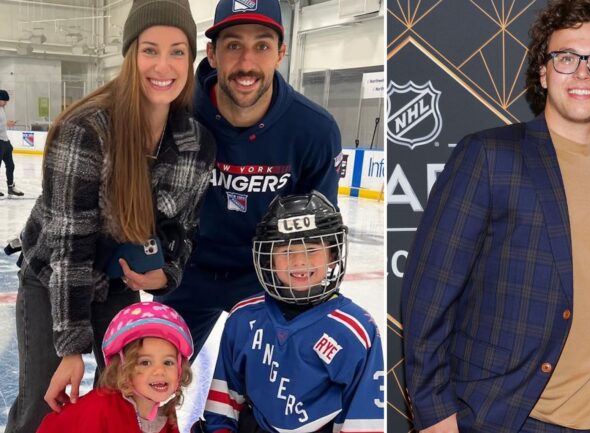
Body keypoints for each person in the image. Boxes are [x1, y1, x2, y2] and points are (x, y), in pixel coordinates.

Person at [400, 1, 590, 432]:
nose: (583, 73)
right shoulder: (490, 156)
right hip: (511, 417)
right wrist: (435, 416)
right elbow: (428, 298)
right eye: (567, 58)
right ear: (544, 72)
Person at [5, 0, 216, 431]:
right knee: (44, 402)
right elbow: (69, 246)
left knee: (126, 399)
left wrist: (167, 273)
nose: (164, 64)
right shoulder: (87, 129)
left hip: (115, 283)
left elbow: (185, 229)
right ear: (130, 55)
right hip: (53, 281)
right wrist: (70, 347)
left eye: (178, 50)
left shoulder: (197, 143)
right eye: (150, 49)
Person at [157, 0, 342, 362]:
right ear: (212, 54)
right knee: (148, 382)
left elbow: (317, 232)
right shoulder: (173, 115)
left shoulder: (314, 130)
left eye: (262, 45)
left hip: (268, 276)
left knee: (281, 389)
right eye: (233, 46)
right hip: (185, 270)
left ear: (281, 53)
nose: (246, 63)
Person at [198, 192, 383, 433]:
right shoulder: (243, 318)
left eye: (312, 249)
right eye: (285, 250)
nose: (298, 261)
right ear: (269, 258)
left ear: (332, 255)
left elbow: (364, 422)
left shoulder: (355, 331)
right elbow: (223, 408)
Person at [36, 301, 194, 433]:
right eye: (145, 362)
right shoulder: (101, 408)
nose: (160, 371)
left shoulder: (165, 413)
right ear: (123, 368)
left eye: (168, 362)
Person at [0, 89, 24, 197]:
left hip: (5, 141)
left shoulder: (2, 109)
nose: (6, 102)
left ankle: (11, 187)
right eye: (4, 100)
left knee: (11, 165)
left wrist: (7, 123)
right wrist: (6, 124)